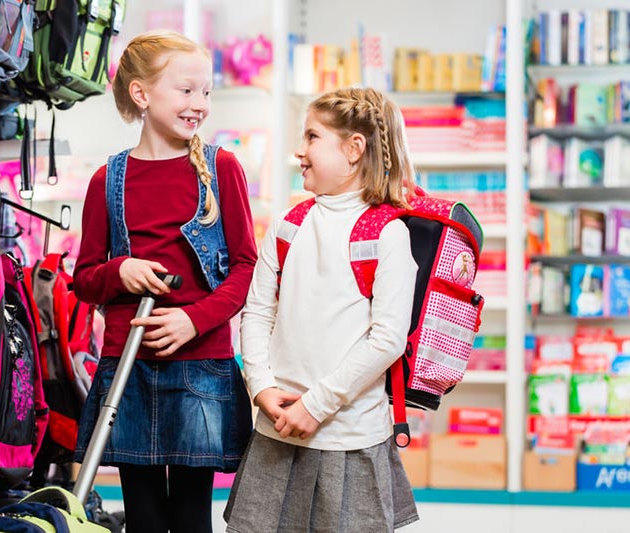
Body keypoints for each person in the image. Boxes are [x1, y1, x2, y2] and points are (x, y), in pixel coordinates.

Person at [73, 30, 257, 533]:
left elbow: (246, 268)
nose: (200, 103)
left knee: (193, 516)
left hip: (200, 367)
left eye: (207, 92)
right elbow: (85, 280)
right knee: (144, 515)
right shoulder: (105, 180)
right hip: (128, 368)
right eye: (187, 90)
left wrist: (192, 320)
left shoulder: (221, 169)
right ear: (141, 93)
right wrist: (120, 270)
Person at [224, 87, 420, 532]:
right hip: (276, 430)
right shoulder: (288, 225)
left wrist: (315, 405)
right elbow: (257, 313)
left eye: (312, 137)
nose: (299, 150)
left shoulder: (387, 234)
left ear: (354, 149)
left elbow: (387, 339)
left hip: (348, 439)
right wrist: (261, 387)